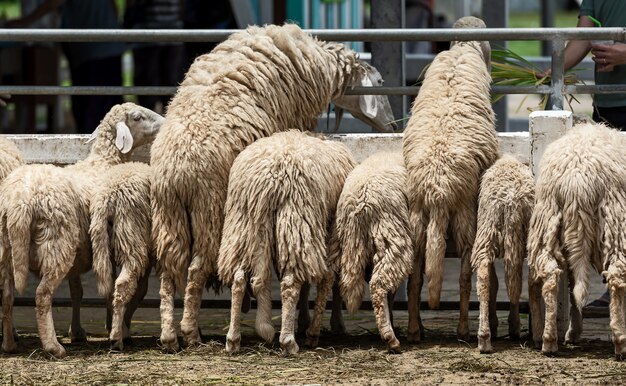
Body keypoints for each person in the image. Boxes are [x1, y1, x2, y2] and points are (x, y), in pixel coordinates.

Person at [556, 0, 626, 313]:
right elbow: (584, 36)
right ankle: (616, 286)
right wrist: (553, 70)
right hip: (609, 106)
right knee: (611, 202)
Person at [7, 0, 125, 134]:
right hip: (109, 47)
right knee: (109, 104)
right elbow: (114, 8)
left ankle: (91, 147)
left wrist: (25, 22)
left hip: (90, 50)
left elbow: (53, 3)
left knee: (89, 108)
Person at [124, 0, 186, 114]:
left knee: (168, 85)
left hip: (163, 33)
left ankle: (165, 120)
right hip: (152, 33)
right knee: (153, 86)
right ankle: (150, 121)